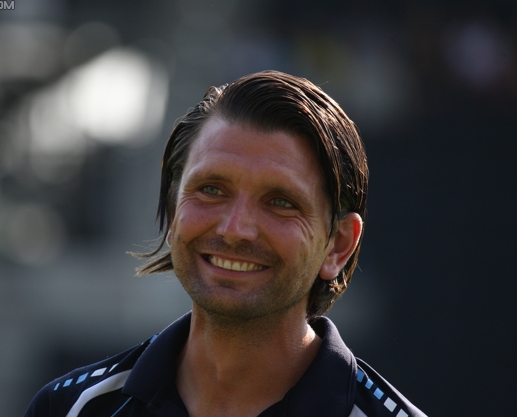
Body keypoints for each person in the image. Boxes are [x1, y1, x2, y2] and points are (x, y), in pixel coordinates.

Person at [24, 71, 426, 417]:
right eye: (211, 189)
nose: (235, 229)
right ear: (172, 206)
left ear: (338, 245)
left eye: (280, 202)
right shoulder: (73, 408)